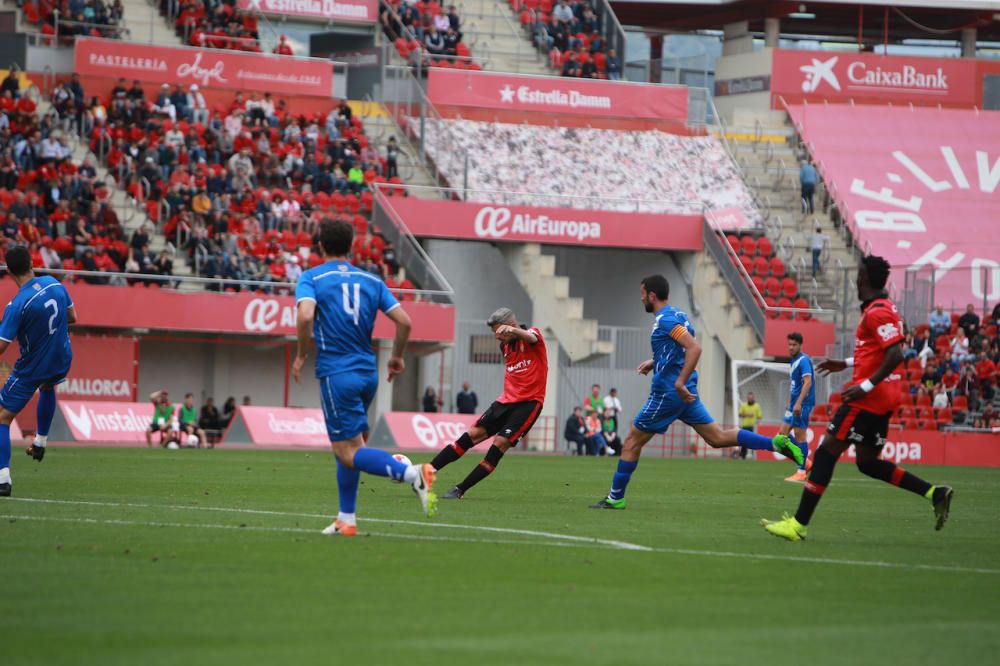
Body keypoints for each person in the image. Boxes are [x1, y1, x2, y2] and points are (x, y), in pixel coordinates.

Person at [762, 255, 953, 541]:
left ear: (862, 279)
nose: (856, 277)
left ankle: (798, 525)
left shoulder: (877, 312)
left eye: (858, 273)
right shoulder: (885, 308)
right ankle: (933, 493)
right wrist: (847, 363)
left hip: (868, 400)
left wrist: (863, 386)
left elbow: (895, 355)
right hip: (885, 398)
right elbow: (877, 352)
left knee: (826, 452)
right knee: (867, 462)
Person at [589, 275, 802, 510]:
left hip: (668, 393)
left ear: (651, 295)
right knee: (717, 438)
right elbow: (680, 348)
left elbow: (694, 348)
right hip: (685, 392)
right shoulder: (678, 315)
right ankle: (778, 444)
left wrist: (678, 382)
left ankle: (615, 498)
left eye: (642, 294)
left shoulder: (665, 320)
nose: (641, 299)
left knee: (631, 441)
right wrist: (656, 361)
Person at [293, 217, 434, 537]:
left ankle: (413, 473)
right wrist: (397, 356)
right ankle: (347, 519)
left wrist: (301, 354)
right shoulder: (372, 281)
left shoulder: (312, 277)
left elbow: (304, 315)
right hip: (367, 373)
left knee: (347, 451)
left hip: (336, 373)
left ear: (320, 246)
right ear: (351, 247)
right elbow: (405, 322)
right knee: (351, 446)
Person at [428, 307, 547, 499]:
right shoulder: (505, 347)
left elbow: (531, 337)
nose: (497, 338)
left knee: (499, 444)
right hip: (504, 401)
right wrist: (507, 333)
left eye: (499, 333)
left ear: (510, 327)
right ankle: (427, 472)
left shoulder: (533, 336)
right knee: (471, 435)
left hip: (528, 404)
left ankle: (460, 489)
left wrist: (514, 331)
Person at [0, 246, 75, 496]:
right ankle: (41, 441)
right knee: (48, 385)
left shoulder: (17, 304)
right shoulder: (54, 283)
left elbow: (2, 346)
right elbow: (72, 317)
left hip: (32, 366)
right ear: (32, 262)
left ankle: (2, 480)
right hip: (62, 356)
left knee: (2, 417)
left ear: (9, 271)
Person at [779, 332, 814, 482]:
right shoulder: (793, 361)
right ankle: (805, 462)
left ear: (800, 345)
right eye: (789, 344)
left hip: (803, 403)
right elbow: (795, 385)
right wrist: (790, 401)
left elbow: (807, 382)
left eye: (794, 345)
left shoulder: (804, 360)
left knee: (800, 437)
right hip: (794, 403)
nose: (791, 347)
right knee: (781, 436)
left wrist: (799, 402)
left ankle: (801, 471)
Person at [736, 391, 762, 459]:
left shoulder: (757, 406)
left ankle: (754, 455)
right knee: (744, 441)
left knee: (753, 440)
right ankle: (743, 456)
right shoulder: (744, 405)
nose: (750, 399)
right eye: (749, 398)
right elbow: (740, 414)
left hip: (753, 427)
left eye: (751, 398)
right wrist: (747, 415)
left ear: (753, 398)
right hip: (745, 426)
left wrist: (757, 420)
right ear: (747, 398)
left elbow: (759, 416)